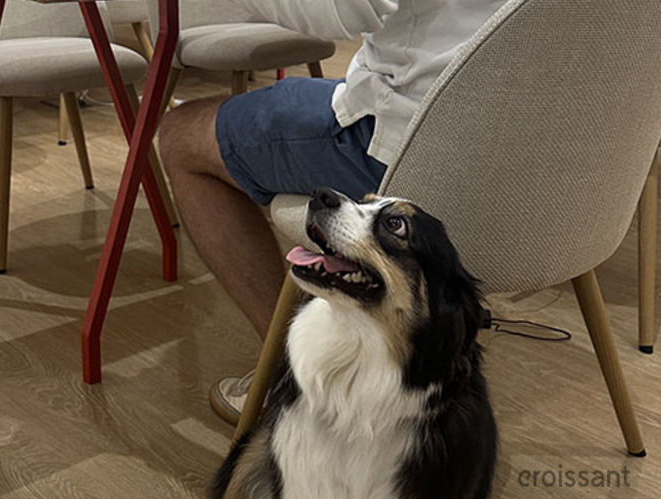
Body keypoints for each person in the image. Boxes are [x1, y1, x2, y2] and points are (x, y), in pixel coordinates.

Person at [159, 0, 507, 424]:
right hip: (543, 172)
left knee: (182, 136)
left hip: (416, 141)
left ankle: (294, 375)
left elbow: (342, 11)